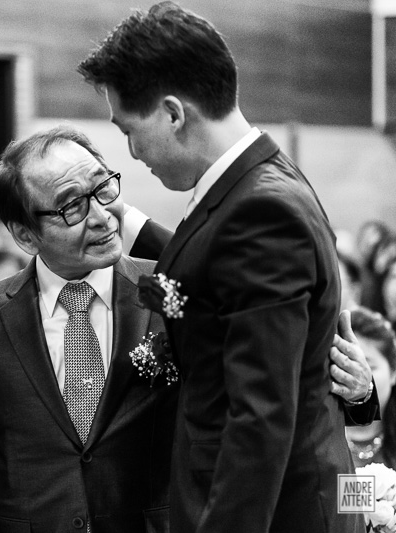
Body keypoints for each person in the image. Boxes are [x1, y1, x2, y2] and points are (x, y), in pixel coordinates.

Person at [78, 3, 369, 531]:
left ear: (172, 113)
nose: (132, 151)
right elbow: (214, 287)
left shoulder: (261, 211)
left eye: (128, 130)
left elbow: (260, 418)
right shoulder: (250, 182)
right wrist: (136, 228)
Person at [0, 125, 178, 532]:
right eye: (72, 207)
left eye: (103, 189)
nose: (101, 217)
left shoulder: (169, 291)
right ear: (26, 235)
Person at [346, 307, 396, 468]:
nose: (356, 377)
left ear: (393, 372)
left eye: (369, 366)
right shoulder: (311, 443)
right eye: (346, 365)